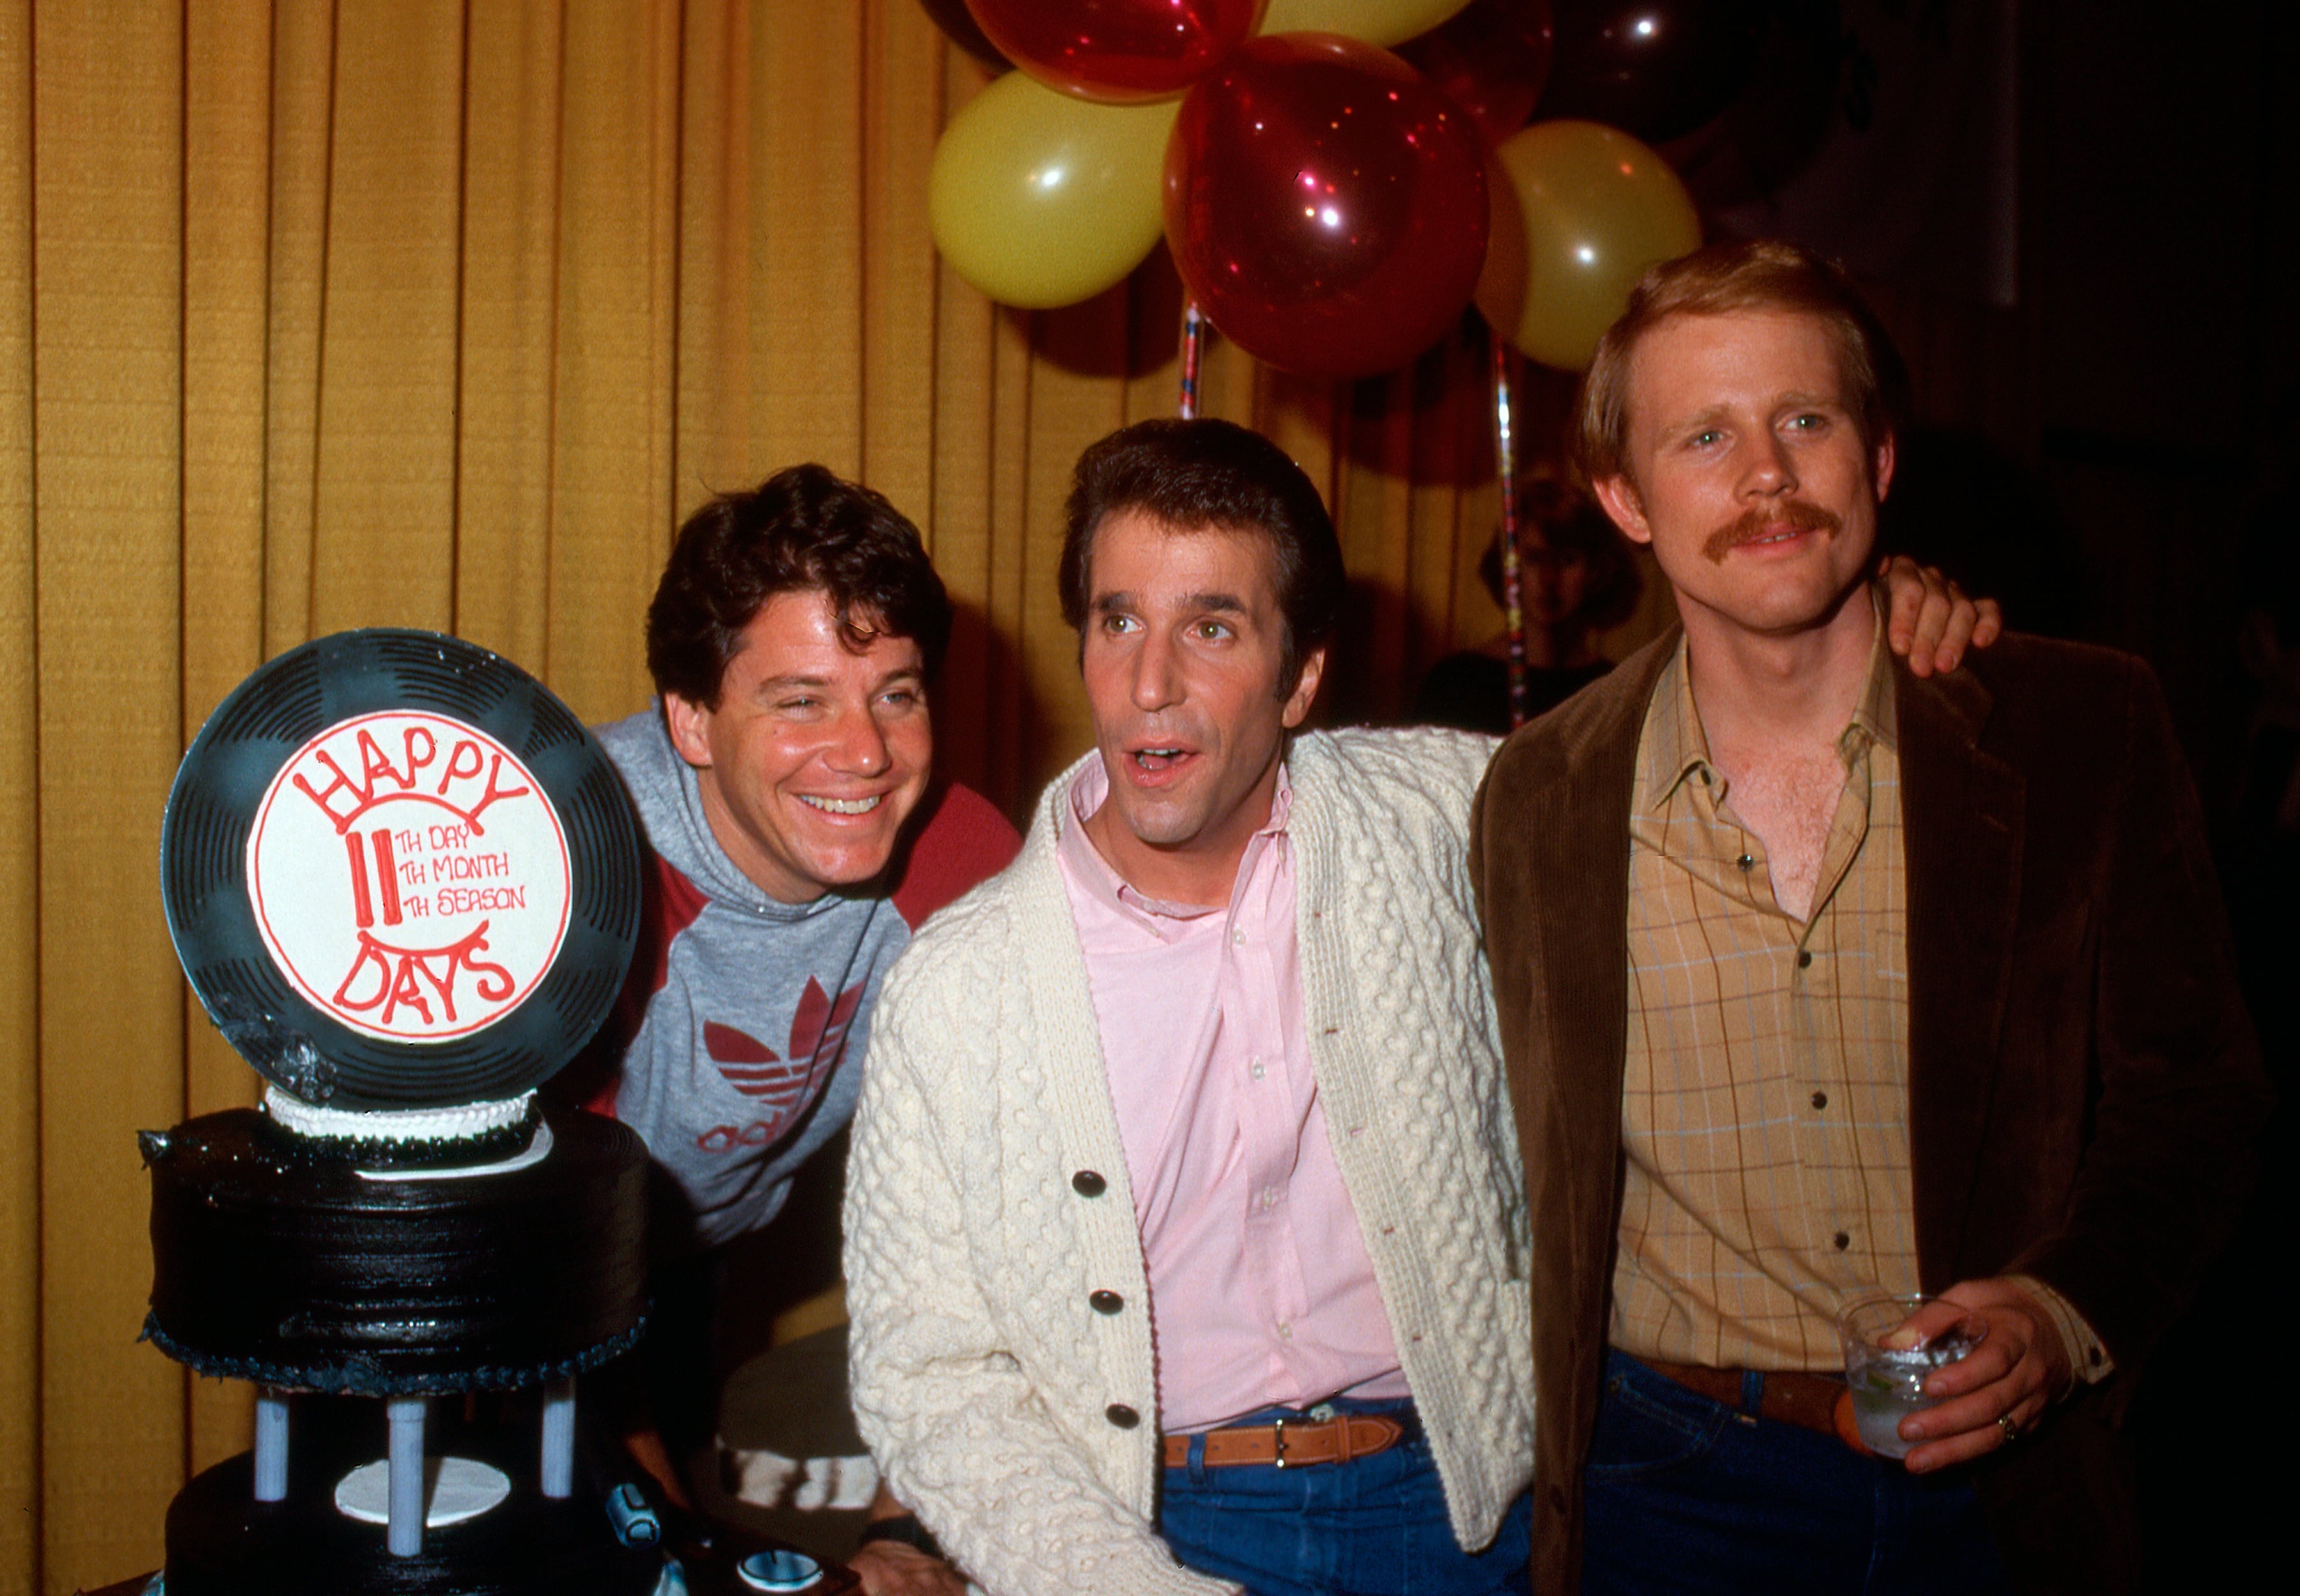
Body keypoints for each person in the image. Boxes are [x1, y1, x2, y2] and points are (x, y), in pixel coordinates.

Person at [840, 418, 1991, 1596]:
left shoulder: (1451, 812)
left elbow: (1713, 739)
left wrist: (1846, 612)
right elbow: (928, 1373)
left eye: (1214, 627)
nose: (1149, 683)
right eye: (1118, 619)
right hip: (1145, 1518)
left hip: (1465, 1501)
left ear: (1301, 678)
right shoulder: (958, 986)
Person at [1468, 242, 2269, 1595]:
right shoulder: (1533, 793)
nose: (1766, 475)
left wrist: (2061, 1311)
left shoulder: (2085, 727)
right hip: (1665, 1489)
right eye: (1705, 436)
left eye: (1805, 421)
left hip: (2009, 1493)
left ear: (1879, 458)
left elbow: (2197, 1104)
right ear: (1626, 499)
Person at [572, 464, 1020, 1595]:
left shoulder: (963, 864)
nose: (865, 752)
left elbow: (1010, 1214)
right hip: (535, 1283)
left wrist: (912, 1525)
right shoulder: (582, 878)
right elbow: (548, 1284)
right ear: (692, 719)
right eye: (801, 698)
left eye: (897, 693)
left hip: (697, 1249)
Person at [1413, 480, 1642, 732]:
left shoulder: (1617, 693)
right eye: (1534, 558)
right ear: (1509, 565)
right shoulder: (1456, 682)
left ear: (1594, 571)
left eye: (1567, 560)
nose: (1549, 579)